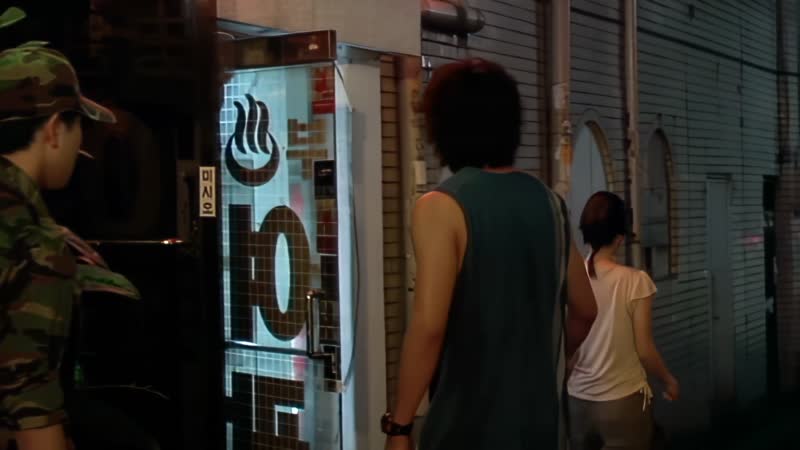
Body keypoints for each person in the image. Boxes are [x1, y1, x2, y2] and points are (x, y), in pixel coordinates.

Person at [382, 58, 598, 450]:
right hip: (542, 425)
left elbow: (429, 326)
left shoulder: (441, 206)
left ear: (442, 126)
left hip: (468, 425)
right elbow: (585, 308)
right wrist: (548, 361)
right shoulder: (549, 202)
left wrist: (399, 426)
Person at [0, 41, 117, 450]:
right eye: (78, 125)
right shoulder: (35, 243)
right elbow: (31, 409)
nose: (80, 142)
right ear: (53, 129)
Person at [567, 191, 680, 450]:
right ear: (619, 238)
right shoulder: (635, 281)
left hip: (577, 402)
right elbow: (644, 350)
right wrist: (668, 380)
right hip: (623, 401)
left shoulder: (571, 277)